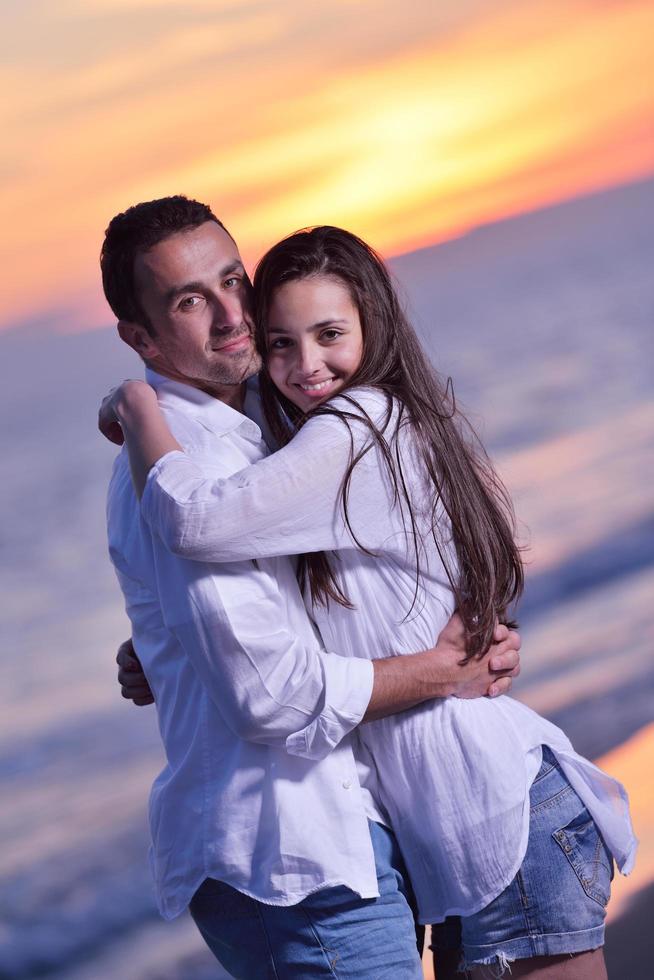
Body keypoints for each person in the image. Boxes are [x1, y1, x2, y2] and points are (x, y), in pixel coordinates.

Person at [104, 224, 637, 980]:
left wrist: (135, 407)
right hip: (448, 842)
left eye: (234, 284)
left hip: (500, 817)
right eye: (281, 340)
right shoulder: (278, 434)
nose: (297, 358)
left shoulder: (354, 426)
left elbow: (197, 521)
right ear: (143, 335)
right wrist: (166, 649)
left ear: (371, 326)